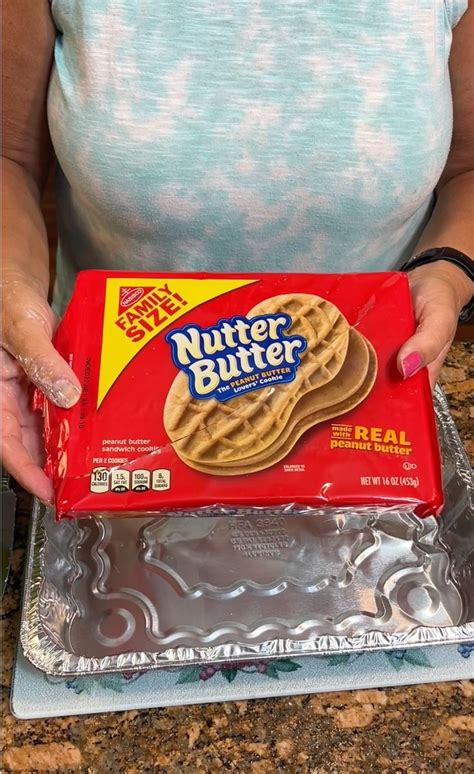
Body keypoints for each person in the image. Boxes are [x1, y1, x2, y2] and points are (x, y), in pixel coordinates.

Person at [2, 1, 473, 503]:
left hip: (368, 414)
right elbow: (9, 156)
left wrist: (447, 271)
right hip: (108, 415)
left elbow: (467, 165)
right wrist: (10, 288)